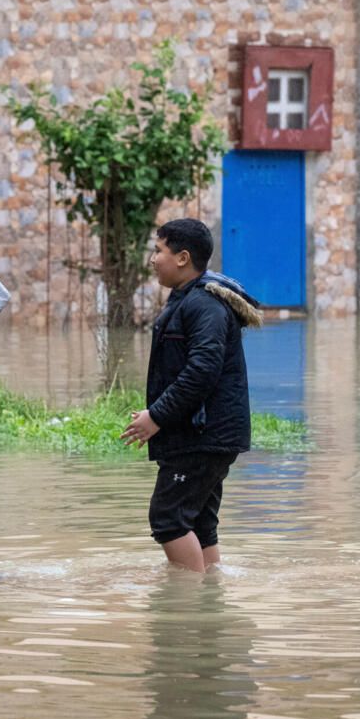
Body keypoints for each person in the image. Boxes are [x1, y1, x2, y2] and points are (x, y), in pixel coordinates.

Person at [121, 218, 260, 572]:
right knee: (199, 523)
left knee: (168, 519)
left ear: (182, 258)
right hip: (204, 433)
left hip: (203, 437)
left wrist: (157, 416)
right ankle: (208, 608)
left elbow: (202, 372)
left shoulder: (203, 306)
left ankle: (185, 613)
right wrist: (160, 412)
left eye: (158, 250)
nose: (153, 259)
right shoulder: (191, 300)